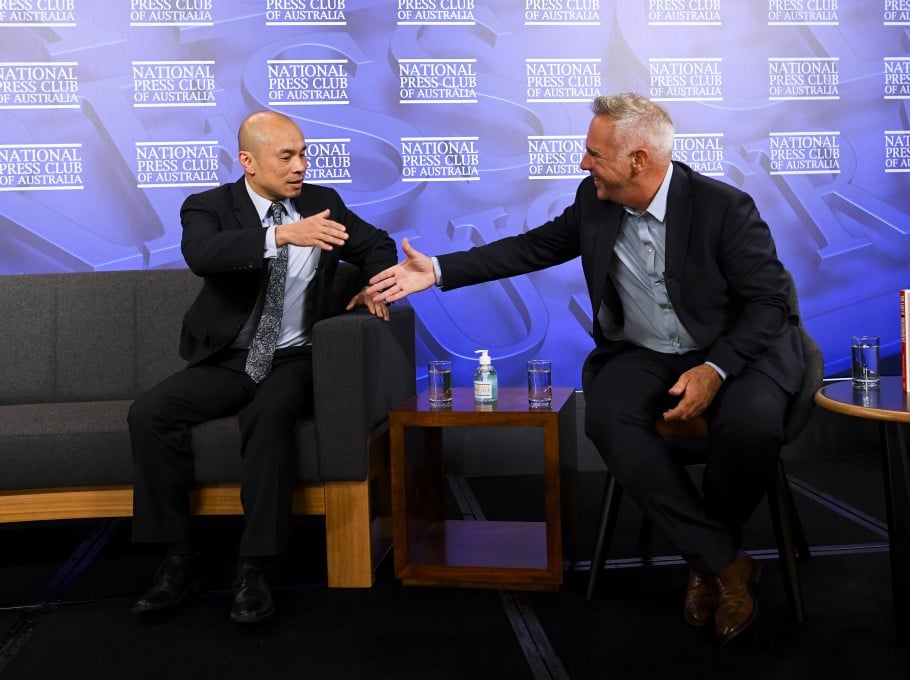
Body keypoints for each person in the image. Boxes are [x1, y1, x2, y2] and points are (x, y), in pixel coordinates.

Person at [367, 93, 804, 644]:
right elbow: (532, 247)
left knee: (751, 424)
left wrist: (715, 369)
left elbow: (769, 303)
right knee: (606, 417)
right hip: (645, 352)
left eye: (595, 154)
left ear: (638, 161)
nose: (583, 163)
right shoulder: (594, 201)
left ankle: (707, 558)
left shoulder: (724, 207)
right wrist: (437, 269)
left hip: (735, 352)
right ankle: (722, 561)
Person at [128, 110, 396, 624]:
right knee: (149, 414)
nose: (301, 166)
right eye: (286, 156)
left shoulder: (322, 202)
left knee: (269, 413)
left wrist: (374, 284)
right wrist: (282, 235)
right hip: (229, 360)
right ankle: (179, 558)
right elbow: (203, 254)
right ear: (248, 162)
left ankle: (255, 566)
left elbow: (376, 244)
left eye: (304, 154)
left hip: (294, 358)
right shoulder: (207, 206)